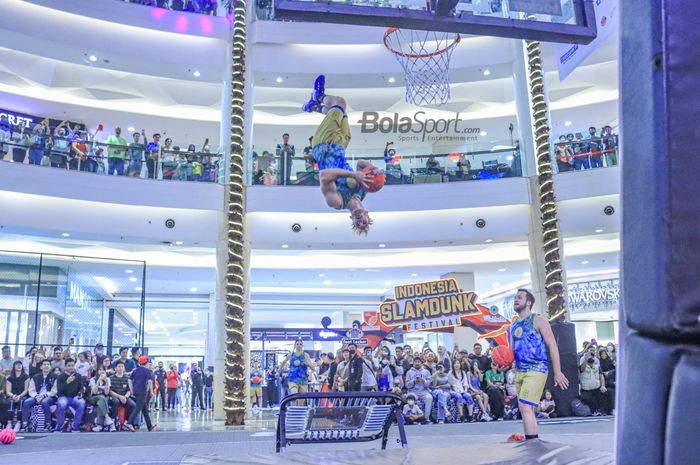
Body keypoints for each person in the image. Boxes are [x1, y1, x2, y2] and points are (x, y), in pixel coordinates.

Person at [303, 75, 377, 235]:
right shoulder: (363, 191)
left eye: (358, 223)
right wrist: (374, 170)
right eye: (364, 221)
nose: (360, 220)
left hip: (323, 145)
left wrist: (354, 175)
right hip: (342, 145)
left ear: (351, 219)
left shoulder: (336, 202)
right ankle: (313, 107)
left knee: (340, 103)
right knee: (338, 112)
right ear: (367, 214)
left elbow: (324, 175)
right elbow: (361, 164)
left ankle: (318, 96)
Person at [506, 289, 569, 442]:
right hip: (520, 371)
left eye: (520, 297)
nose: (516, 300)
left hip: (537, 369)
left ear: (529, 302)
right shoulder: (512, 327)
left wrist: (558, 372)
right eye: (515, 298)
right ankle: (533, 441)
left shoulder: (538, 320)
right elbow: (511, 352)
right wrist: (505, 363)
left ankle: (532, 444)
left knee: (525, 408)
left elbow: (552, 345)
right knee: (528, 409)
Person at [20, 359, 57, 432]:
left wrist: (44, 396)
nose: (46, 366)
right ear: (41, 367)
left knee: (45, 402)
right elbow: (31, 389)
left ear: (50, 366)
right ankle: (25, 424)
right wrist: (36, 396)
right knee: (27, 402)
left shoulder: (55, 376)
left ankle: (48, 424)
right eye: (44, 364)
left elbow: (55, 390)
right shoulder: (36, 377)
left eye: (48, 364)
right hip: (36, 396)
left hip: (49, 396)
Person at [54, 358, 85, 432]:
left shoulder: (78, 376)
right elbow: (59, 391)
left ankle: (75, 425)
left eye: (72, 365)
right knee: (62, 403)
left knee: (81, 402)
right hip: (63, 397)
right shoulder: (60, 377)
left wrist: (80, 394)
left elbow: (81, 388)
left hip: (75, 397)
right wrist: (67, 382)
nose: (71, 367)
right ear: (65, 367)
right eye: (69, 366)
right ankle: (59, 425)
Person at [128, 355, 157, 432]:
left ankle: (149, 426)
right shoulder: (147, 371)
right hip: (142, 391)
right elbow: (150, 381)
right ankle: (129, 422)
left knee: (144, 410)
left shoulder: (135, 370)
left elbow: (129, 380)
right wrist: (151, 391)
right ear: (147, 363)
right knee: (138, 408)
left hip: (136, 391)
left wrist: (131, 390)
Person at [109, 361, 136, 431]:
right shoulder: (111, 378)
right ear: (115, 368)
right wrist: (120, 397)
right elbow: (110, 391)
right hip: (115, 396)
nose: (120, 368)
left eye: (122, 367)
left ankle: (126, 422)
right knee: (116, 402)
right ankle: (112, 422)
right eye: (119, 366)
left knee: (133, 405)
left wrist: (125, 397)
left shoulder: (127, 378)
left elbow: (129, 390)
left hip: (125, 396)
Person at [405, 356, 433, 424]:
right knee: (410, 399)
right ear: (413, 363)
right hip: (413, 391)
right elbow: (407, 385)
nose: (417, 363)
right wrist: (413, 381)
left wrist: (423, 381)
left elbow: (428, 384)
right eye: (415, 362)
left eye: (418, 362)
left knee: (429, 398)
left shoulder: (426, 372)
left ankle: (426, 418)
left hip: (424, 391)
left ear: (421, 363)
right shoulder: (409, 372)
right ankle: (412, 419)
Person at [89, 366, 115, 431]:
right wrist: (99, 380)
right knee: (101, 398)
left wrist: (106, 381)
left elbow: (106, 393)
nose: (102, 371)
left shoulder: (108, 379)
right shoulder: (93, 379)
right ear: (97, 371)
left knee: (102, 401)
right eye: (100, 369)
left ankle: (99, 425)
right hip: (94, 398)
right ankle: (108, 418)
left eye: (103, 370)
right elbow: (94, 392)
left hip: (104, 398)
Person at [6, 360, 30, 431]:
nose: (19, 366)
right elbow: (8, 391)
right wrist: (13, 396)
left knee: (21, 401)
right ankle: (9, 422)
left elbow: (26, 390)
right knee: (10, 402)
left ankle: (19, 423)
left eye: (20, 364)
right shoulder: (10, 378)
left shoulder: (26, 377)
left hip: (22, 395)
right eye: (17, 364)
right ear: (14, 366)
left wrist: (19, 396)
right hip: (12, 395)